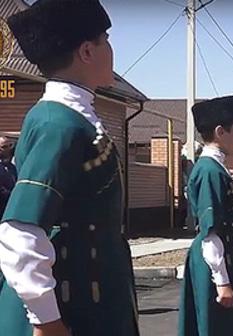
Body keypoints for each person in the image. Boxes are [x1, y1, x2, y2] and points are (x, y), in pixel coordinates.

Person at [0, 1, 139, 335]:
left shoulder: (75, 117)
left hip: (90, 295)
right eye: (105, 39)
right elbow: (21, 229)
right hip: (71, 303)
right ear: (87, 51)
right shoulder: (57, 123)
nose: (111, 49)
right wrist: (47, 321)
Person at [178, 95, 233, 336]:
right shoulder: (209, 170)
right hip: (215, 263)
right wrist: (222, 281)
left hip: (228, 258)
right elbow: (210, 232)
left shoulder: (218, 168)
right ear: (220, 131)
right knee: (218, 328)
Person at [0, 136, 17, 217]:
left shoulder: (12, 167)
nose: (8, 149)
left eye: (10, 146)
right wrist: (13, 196)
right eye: (4, 147)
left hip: (11, 210)